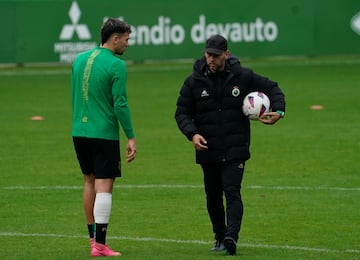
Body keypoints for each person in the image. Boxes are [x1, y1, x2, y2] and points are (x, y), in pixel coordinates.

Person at [174, 34, 285, 256]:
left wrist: (279, 111)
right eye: (208, 54)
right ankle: (219, 235)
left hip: (235, 147)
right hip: (208, 148)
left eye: (215, 55)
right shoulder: (193, 82)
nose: (211, 59)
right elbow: (182, 113)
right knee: (213, 195)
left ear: (226, 54)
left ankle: (231, 237)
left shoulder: (243, 77)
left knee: (232, 191)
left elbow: (273, 88)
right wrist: (193, 134)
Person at [71, 18, 137, 257]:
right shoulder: (116, 65)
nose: (128, 44)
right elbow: (120, 104)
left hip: (79, 131)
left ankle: (92, 241)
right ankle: (100, 245)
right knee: (104, 186)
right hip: (103, 134)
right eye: (126, 39)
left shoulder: (79, 60)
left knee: (88, 182)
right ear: (115, 38)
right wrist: (130, 136)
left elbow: (74, 94)